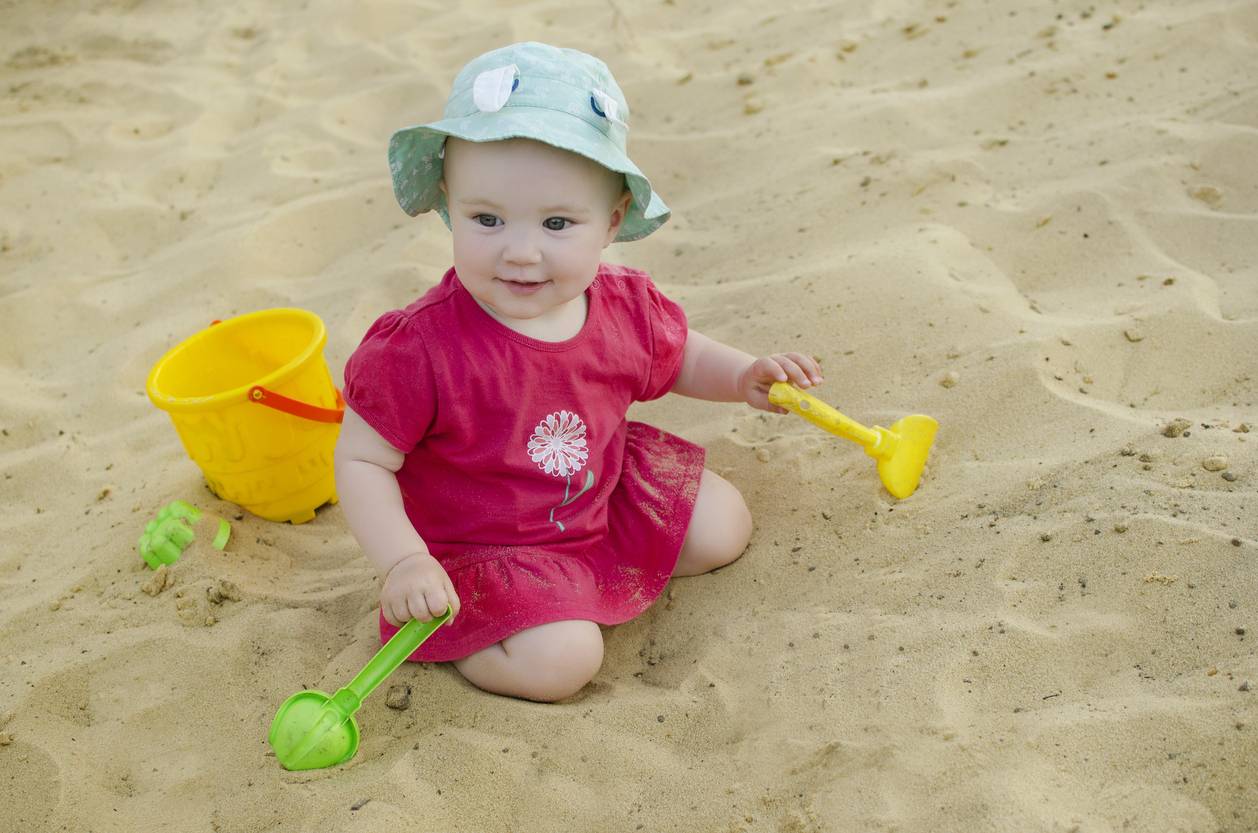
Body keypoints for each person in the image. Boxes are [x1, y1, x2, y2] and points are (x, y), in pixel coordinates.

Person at [335, 42, 823, 702]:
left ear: (612, 222)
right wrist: (403, 560)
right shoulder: (418, 347)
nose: (522, 250)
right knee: (564, 660)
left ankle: (584, 580)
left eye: (558, 222)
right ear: (449, 204)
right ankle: (467, 632)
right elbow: (363, 459)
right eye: (486, 219)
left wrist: (742, 376)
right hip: (482, 545)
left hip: (597, 492)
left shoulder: (620, 306)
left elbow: (681, 355)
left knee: (722, 526)